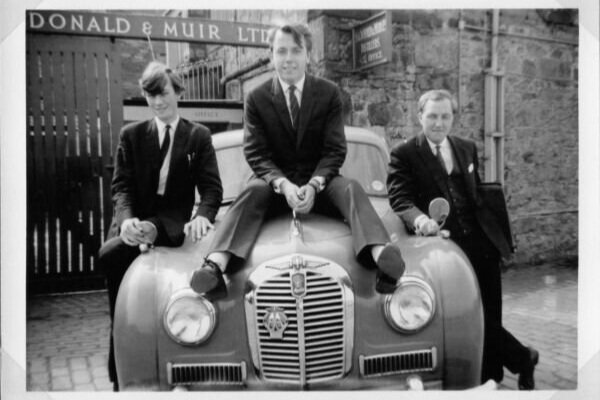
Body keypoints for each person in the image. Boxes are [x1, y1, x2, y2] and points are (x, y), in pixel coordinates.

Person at [189, 23, 405, 297]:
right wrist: (284, 185)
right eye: (281, 51)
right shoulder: (256, 98)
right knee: (251, 190)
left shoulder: (328, 93)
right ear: (271, 56)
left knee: (351, 187)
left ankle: (381, 255)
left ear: (307, 55)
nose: (288, 58)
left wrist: (314, 185)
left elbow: (335, 150)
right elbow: (256, 153)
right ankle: (214, 264)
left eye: (295, 50)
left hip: (322, 184)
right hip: (274, 189)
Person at [386, 89, 539, 389]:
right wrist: (421, 220)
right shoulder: (404, 153)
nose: (439, 123)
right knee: (468, 316)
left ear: (453, 118)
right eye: (432, 116)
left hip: (482, 243)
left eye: (445, 116)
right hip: (446, 249)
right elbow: (400, 199)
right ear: (420, 116)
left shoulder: (466, 147)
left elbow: (476, 194)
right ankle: (522, 359)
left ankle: (492, 377)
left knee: (490, 314)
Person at [98, 61, 223, 391]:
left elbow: (212, 190)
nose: (157, 102)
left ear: (178, 92)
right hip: (131, 226)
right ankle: (122, 380)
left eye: (163, 93)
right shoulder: (131, 135)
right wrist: (125, 221)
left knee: (170, 299)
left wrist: (202, 216)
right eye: (150, 96)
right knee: (116, 283)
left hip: (169, 229)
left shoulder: (198, 136)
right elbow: (121, 186)